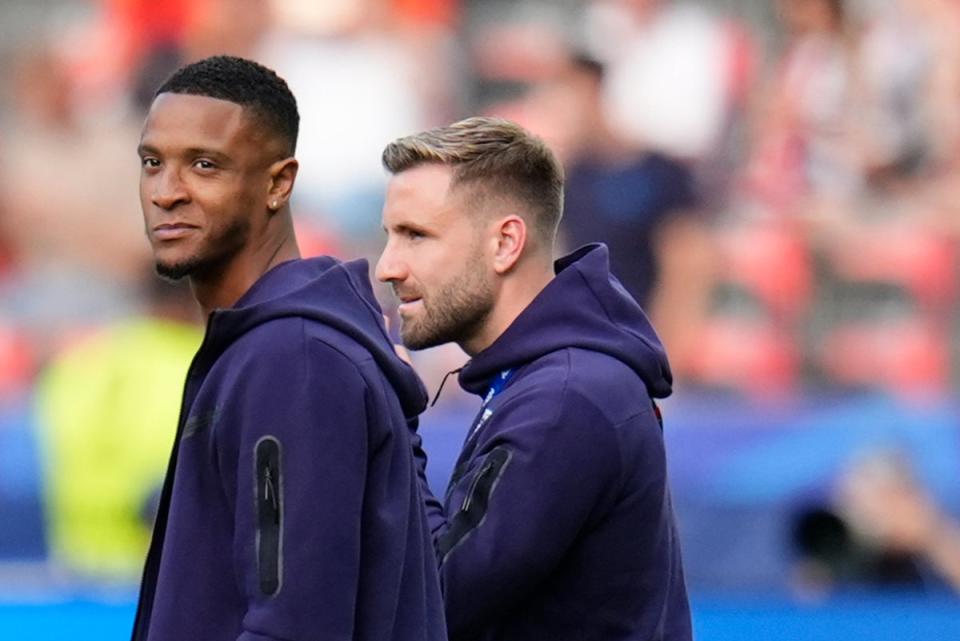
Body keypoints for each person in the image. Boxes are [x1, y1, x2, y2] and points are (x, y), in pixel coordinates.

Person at [131, 55, 445, 641]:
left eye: (204, 165)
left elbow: (294, 626)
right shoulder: (272, 345)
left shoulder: (293, 357)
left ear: (278, 183)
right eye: (153, 163)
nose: (166, 192)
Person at [376, 116, 692, 640]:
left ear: (505, 242)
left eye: (416, 235)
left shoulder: (566, 399)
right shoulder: (549, 381)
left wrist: (392, 422)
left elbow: (431, 604)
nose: (388, 266)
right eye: (390, 235)